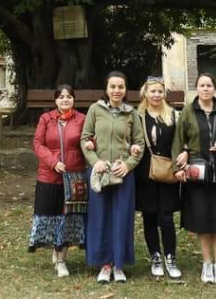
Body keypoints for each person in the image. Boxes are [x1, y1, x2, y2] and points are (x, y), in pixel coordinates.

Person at [173, 72, 216, 285]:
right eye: (201, 85)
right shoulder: (188, 112)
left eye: (209, 85)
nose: (205, 89)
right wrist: (178, 164)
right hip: (197, 176)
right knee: (202, 221)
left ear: (214, 89)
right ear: (197, 89)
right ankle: (207, 263)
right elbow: (178, 139)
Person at [81, 71, 145, 284]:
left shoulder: (132, 114)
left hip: (122, 175)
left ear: (126, 90)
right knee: (100, 217)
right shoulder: (95, 110)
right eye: (113, 87)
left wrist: (128, 165)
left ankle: (118, 265)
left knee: (121, 217)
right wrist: (94, 161)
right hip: (99, 173)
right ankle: (104, 264)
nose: (117, 91)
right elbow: (84, 139)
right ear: (106, 89)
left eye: (121, 87)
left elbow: (140, 144)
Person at [29, 84, 88, 278]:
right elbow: (38, 144)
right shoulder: (46, 119)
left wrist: (90, 143)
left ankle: (61, 259)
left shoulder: (82, 119)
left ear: (74, 100)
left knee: (67, 218)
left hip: (74, 177)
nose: (65, 99)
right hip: (49, 176)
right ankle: (55, 249)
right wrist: (53, 162)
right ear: (55, 100)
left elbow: (89, 139)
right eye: (61, 96)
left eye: (69, 96)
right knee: (51, 215)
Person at [134, 76, 183, 279]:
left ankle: (170, 257)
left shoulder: (173, 115)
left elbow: (181, 140)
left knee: (166, 217)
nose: (156, 95)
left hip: (168, 172)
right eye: (152, 91)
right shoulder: (138, 116)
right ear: (145, 92)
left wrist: (184, 154)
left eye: (160, 91)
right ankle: (155, 256)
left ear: (164, 94)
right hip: (145, 173)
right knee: (150, 216)